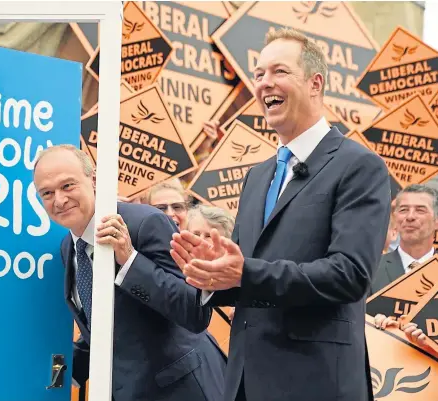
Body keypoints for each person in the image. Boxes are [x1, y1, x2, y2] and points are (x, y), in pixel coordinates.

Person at [170, 28, 391, 401]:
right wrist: (212, 274)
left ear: (315, 82)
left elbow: (349, 275)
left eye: (279, 72)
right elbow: (243, 275)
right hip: (245, 381)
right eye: (258, 74)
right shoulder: (257, 176)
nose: (264, 83)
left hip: (315, 382)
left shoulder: (359, 166)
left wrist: (244, 272)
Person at [33, 144, 226, 401]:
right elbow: (106, 326)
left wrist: (130, 261)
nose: (59, 199)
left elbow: (193, 311)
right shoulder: (67, 248)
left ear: (93, 180)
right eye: (47, 193)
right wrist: (58, 376)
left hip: (182, 390)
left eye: (68, 185)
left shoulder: (145, 223)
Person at [370, 184, 438, 294]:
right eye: (403, 210)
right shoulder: (372, 269)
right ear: (395, 217)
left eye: (420, 210)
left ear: (436, 221)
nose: (410, 217)